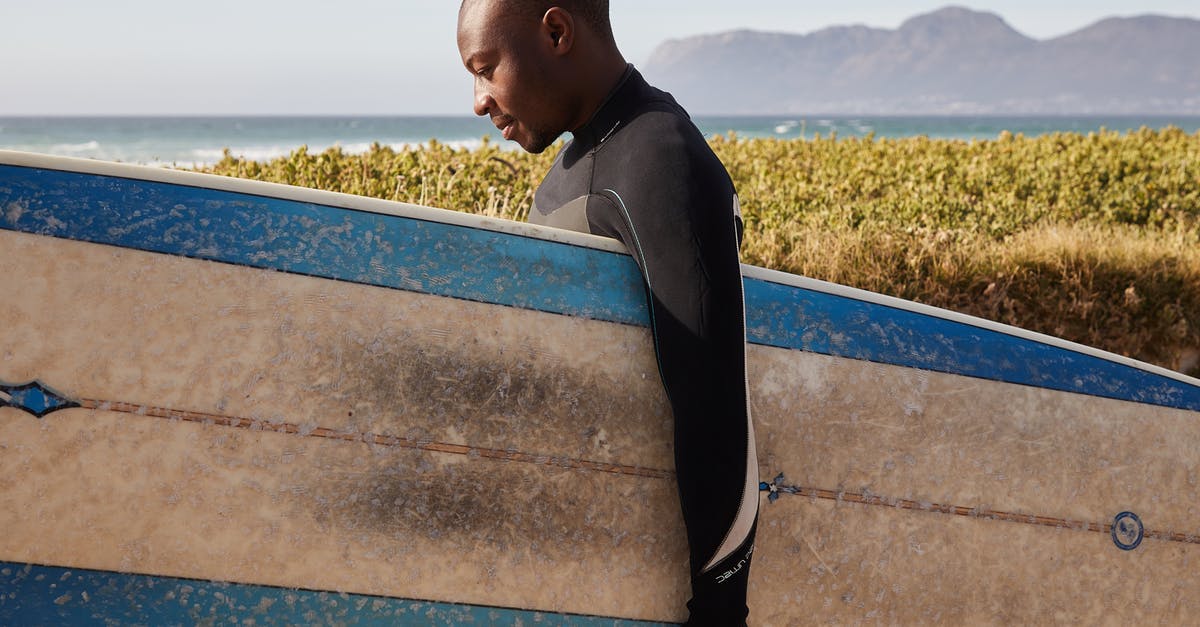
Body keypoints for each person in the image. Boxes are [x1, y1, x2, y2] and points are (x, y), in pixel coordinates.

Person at [456, 1, 759, 624]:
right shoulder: (571, 169)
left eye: (486, 69)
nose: (479, 100)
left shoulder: (657, 156)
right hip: (564, 574)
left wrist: (719, 612)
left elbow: (715, 409)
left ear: (557, 32)